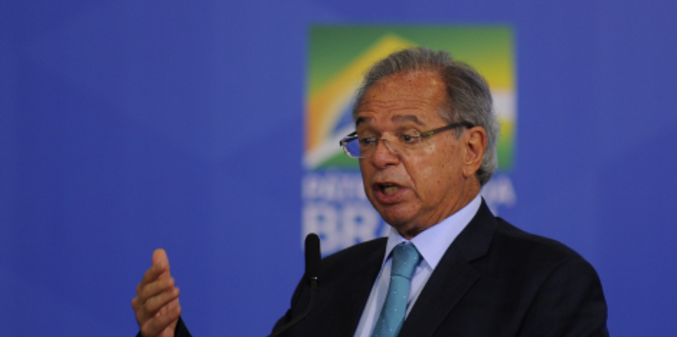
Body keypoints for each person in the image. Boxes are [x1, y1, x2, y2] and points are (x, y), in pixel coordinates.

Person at [132, 47, 609, 337]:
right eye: (367, 137)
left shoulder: (547, 281)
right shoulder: (331, 281)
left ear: (471, 148)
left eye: (408, 136)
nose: (381, 156)